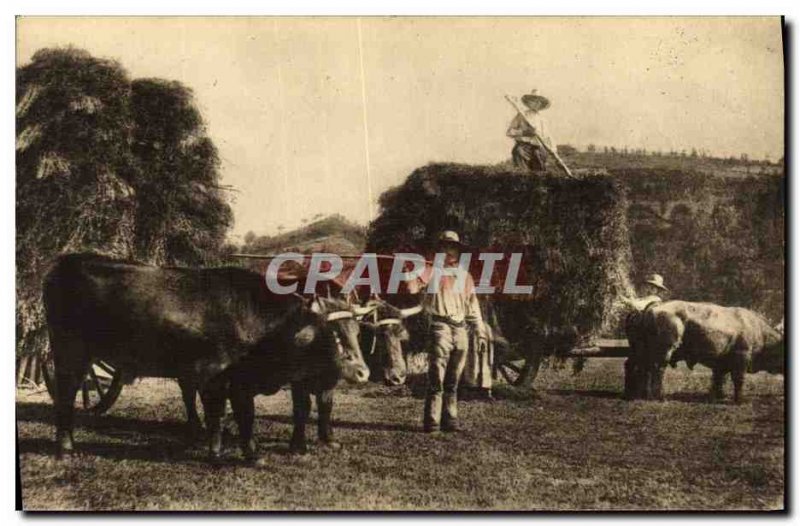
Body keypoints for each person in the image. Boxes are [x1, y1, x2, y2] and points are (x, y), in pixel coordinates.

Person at [421, 231, 487, 433]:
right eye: (444, 247)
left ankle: (450, 419)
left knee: (453, 379)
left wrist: (480, 332)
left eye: (452, 247)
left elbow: (473, 307)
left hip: (460, 330)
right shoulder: (431, 273)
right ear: (439, 249)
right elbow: (414, 284)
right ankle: (432, 421)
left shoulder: (465, 277)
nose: (449, 251)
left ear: (458, 251)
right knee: (437, 378)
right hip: (440, 328)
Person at [506, 89, 555, 173]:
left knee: (539, 173)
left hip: (539, 149)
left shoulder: (542, 119)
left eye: (539, 101)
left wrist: (553, 148)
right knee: (522, 173)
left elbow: (548, 136)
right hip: (523, 148)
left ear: (541, 104)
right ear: (529, 102)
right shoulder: (521, 115)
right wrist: (525, 132)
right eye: (533, 100)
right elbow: (509, 132)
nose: (536, 103)